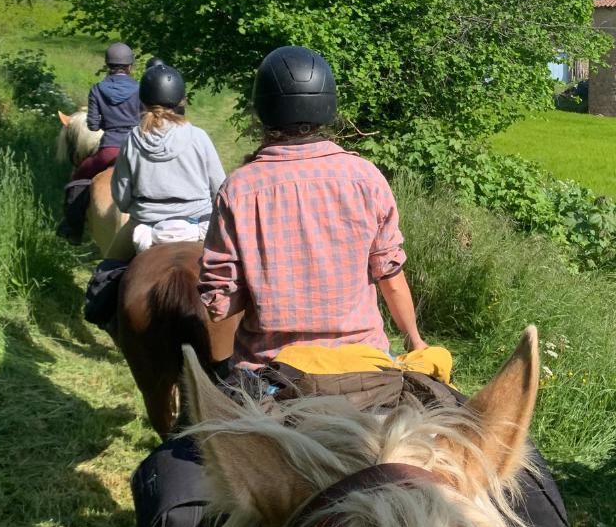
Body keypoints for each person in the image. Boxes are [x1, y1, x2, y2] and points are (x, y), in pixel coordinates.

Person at [198, 46, 428, 372]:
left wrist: (267, 288)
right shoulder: (367, 178)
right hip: (362, 363)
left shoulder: (238, 189)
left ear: (263, 111)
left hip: (270, 369)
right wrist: (415, 341)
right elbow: (389, 274)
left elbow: (218, 305)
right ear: (328, 105)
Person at [103, 65, 226, 262]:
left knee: (106, 273)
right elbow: (220, 187)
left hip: (146, 225)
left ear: (143, 100)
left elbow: (121, 196)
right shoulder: (198, 136)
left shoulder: (132, 138)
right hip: (198, 224)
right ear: (181, 101)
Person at [57, 42, 142, 243]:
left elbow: (94, 126)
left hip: (108, 150)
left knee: (77, 180)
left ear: (107, 65)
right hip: (136, 149)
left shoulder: (97, 89)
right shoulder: (140, 89)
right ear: (130, 66)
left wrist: (109, 123)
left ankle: (72, 228)